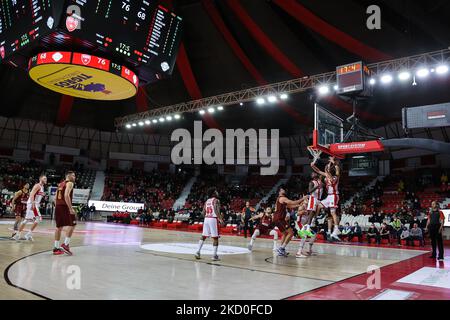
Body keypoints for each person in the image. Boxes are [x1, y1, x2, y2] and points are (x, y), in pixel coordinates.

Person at [311, 156, 341, 241]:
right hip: (329, 196)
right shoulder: (327, 176)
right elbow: (318, 171)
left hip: (334, 196)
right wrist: (313, 166)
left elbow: (336, 171)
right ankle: (314, 220)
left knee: (333, 213)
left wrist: (333, 164)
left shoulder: (335, 177)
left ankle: (336, 229)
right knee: (318, 205)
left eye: (327, 170)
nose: (325, 171)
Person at [273, 186, 306, 257]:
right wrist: (302, 199)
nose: (284, 190)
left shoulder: (280, 199)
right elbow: (292, 202)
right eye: (282, 189)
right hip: (279, 218)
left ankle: (280, 250)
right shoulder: (282, 198)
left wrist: (299, 205)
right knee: (291, 232)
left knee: (285, 234)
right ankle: (281, 248)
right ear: (279, 192)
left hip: (277, 218)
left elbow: (290, 206)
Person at [14, 175, 47, 241]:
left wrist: (43, 196)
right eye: (44, 178)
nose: (46, 179)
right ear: (40, 179)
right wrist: (33, 204)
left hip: (35, 204)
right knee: (38, 219)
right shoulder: (37, 185)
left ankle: (18, 235)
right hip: (32, 204)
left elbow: (37, 195)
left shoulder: (42, 187)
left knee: (27, 220)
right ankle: (28, 234)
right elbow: (32, 194)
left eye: (46, 178)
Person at [195, 189, 224, 261]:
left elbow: (203, 212)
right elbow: (216, 210)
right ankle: (214, 255)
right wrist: (220, 219)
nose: (217, 192)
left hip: (206, 219)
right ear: (214, 193)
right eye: (216, 191)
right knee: (215, 238)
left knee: (203, 236)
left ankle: (198, 252)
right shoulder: (216, 200)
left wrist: (203, 217)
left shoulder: (207, 201)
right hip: (213, 219)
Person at [53, 171, 77, 255]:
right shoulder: (70, 183)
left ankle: (56, 248)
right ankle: (65, 245)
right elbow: (66, 195)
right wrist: (70, 208)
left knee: (59, 227)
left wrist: (57, 206)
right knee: (73, 224)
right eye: (73, 175)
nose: (74, 177)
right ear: (69, 176)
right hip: (65, 206)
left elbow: (55, 198)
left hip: (58, 206)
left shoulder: (60, 184)